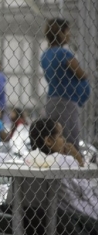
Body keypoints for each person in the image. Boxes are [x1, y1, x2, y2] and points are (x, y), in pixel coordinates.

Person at [24, 118, 98, 235]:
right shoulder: (65, 161)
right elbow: (87, 192)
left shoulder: (30, 161)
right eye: (60, 136)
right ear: (48, 140)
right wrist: (79, 160)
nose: (64, 141)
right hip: (89, 219)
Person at [41, 18, 90, 150]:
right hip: (66, 102)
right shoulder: (64, 53)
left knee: (53, 135)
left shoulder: (45, 54)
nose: (70, 34)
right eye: (67, 31)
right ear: (61, 33)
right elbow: (81, 74)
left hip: (52, 100)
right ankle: (72, 164)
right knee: (70, 137)